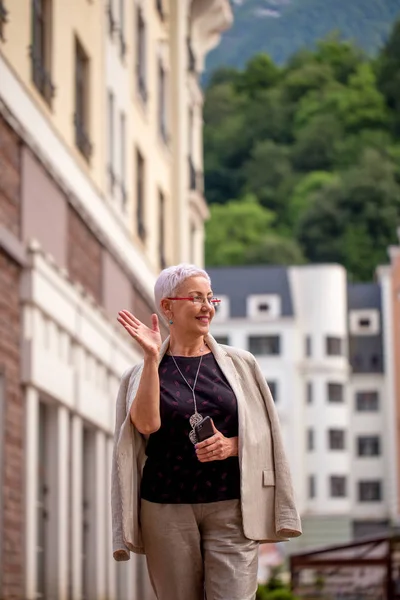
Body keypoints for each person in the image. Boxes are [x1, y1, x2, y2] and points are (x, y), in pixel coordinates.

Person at [112, 263, 301, 600]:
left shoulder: (242, 364)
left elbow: (267, 433)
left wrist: (232, 445)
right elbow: (145, 426)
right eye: (196, 298)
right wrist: (152, 358)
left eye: (211, 299)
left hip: (231, 506)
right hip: (166, 508)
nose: (206, 307)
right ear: (167, 306)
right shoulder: (141, 372)